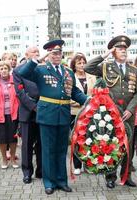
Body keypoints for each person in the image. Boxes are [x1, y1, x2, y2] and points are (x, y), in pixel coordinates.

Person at [18, 39, 87, 195]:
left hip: (63, 114)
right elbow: (22, 73)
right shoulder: (40, 69)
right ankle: (49, 182)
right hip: (47, 114)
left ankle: (61, 181)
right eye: (54, 53)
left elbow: (74, 92)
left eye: (59, 53)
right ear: (48, 54)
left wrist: (88, 100)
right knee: (48, 150)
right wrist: (39, 59)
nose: (57, 55)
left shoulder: (68, 71)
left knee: (62, 150)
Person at [84, 35, 137, 188]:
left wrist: (130, 110)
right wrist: (104, 55)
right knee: (112, 144)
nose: (123, 51)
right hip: (111, 113)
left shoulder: (133, 70)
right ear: (113, 51)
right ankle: (110, 176)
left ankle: (126, 175)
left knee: (128, 145)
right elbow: (87, 67)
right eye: (119, 49)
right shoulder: (105, 67)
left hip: (127, 114)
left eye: (125, 49)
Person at [13, 46, 42, 184]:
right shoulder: (18, 70)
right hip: (27, 112)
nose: (36, 54)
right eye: (33, 52)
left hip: (42, 112)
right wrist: (34, 107)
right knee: (27, 145)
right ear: (26, 55)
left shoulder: (42, 68)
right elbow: (20, 93)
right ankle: (27, 172)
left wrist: (41, 107)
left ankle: (40, 170)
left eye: (38, 52)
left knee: (41, 144)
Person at [69, 53, 96, 175]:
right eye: (79, 63)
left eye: (83, 62)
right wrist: (78, 102)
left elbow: (95, 93)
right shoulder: (71, 76)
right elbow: (68, 94)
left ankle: (88, 164)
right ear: (74, 65)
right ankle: (77, 165)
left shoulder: (92, 77)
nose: (81, 65)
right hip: (74, 112)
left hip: (89, 112)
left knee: (89, 138)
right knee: (76, 139)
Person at [0, 61, 19, 169]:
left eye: (5, 68)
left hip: (13, 114)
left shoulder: (14, 80)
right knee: (2, 139)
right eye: (1, 69)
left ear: (9, 69)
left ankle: (12, 159)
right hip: (0, 114)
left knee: (13, 138)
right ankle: (4, 159)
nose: (3, 70)